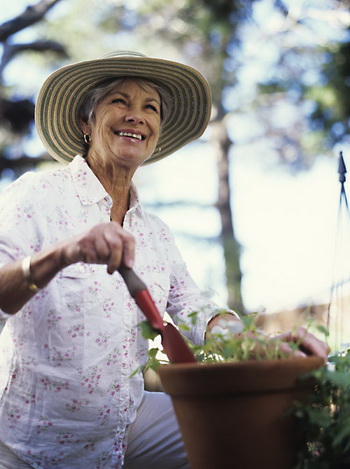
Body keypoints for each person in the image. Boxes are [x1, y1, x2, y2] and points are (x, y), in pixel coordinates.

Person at [0, 51, 328, 469]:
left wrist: (255, 345)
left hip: (126, 422)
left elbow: (195, 307)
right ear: (86, 123)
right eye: (120, 101)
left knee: (255, 432)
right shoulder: (37, 196)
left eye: (149, 107)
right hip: (36, 444)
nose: (137, 116)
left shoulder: (154, 232)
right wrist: (64, 254)